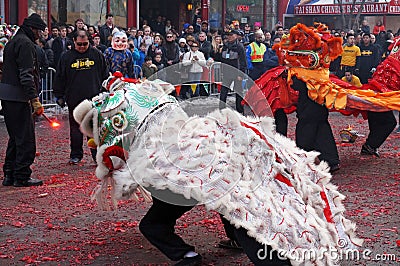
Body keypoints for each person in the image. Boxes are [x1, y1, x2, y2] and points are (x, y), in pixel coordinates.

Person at [0, 13, 46, 187]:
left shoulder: (13, 41)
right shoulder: (26, 44)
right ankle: (22, 175)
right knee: (25, 138)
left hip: (7, 95)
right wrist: (34, 99)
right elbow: (26, 75)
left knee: (15, 137)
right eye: (40, 31)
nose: (40, 35)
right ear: (33, 29)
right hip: (19, 97)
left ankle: (9, 174)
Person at [53, 30, 108, 165]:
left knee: (95, 128)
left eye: (85, 44)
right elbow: (60, 77)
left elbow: (105, 75)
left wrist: (106, 92)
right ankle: (76, 155)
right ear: (74, 42)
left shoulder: (97, 55)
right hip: (74, 99)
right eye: (79, 44)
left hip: (94, 100)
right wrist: (59, 95)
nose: (82, 47)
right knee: (76, 129)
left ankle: (97, 156)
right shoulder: (66, 57)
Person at [219, 29, 247, 114]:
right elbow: (222, 59)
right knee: (223, 91)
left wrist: (241, 74)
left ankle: (240, 111)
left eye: (232, 35)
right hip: (227, 72)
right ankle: (221, 110)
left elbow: (243, 62)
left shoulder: (239, 46)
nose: (230, 37)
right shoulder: (225, 45)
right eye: (229, 35)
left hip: (236, 72)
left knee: (239, 92)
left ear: (236, 36)